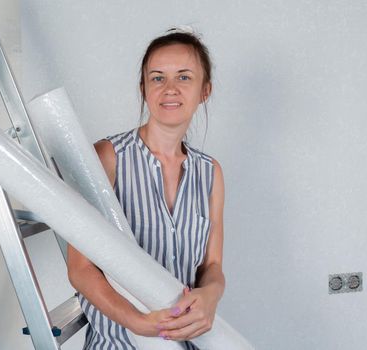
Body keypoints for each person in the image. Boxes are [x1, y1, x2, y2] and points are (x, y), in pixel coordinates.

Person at [67, 27, 225, 350]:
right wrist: (139, 323)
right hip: (118, 345)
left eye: (184, 77)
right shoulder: (108, 158)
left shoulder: (210, 173)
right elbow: (80, 270)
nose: (170, 89)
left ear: (204, 90)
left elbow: (212, 267)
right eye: (157, 78)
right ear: (143, 88)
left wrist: (210, 295)